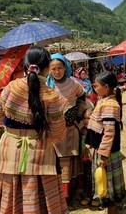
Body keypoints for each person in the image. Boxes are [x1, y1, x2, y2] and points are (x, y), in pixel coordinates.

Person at [0, 46, 68, 214]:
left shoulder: (11, 87)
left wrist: (13, 132)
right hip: (40, 155)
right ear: (47, 67)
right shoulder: (51, 95)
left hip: (7, 153)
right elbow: (57, 132)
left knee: (6, 201)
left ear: (25, 65)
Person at [85, 71, 125, 213]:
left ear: (106, 87)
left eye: (96, 86)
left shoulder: (110, 105)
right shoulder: (103, 100)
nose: (94, 88)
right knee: (106, 184)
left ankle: (112, 211)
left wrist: (103, 155)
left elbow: (109, 132)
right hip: (101, 149)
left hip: (106, 153)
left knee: (108, 186)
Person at [47, 53, 85, 204]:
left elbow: (82, 98)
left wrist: (79, 116)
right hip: (52, 132)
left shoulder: (74, 84)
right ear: (49, 70)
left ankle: (69, 193)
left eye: (60, 68)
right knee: (55, 160)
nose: (57, 71)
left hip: (70, 130)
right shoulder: (46, 86)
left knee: (71, 160)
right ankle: (55, 193)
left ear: (65, 67)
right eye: (53, 68)